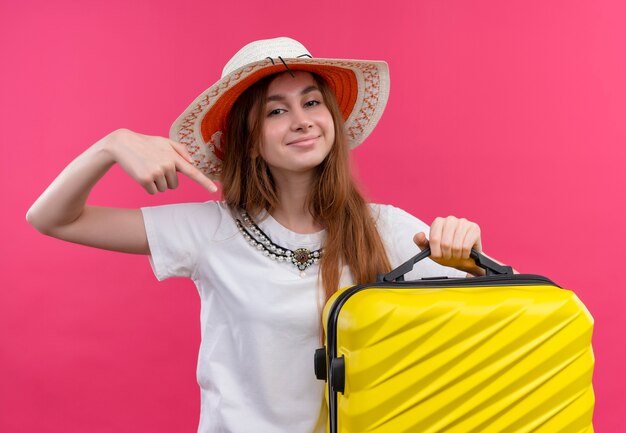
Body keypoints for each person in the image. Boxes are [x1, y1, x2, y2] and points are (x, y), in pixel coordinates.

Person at [26, 37, 516, 433]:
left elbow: (509, 313)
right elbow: (53, 218)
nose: (301, 120)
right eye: (276, 110)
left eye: (311, 102)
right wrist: (111, 145)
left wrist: (466, 260)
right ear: (249, 138)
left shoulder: (383, 228)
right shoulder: (211, 230)